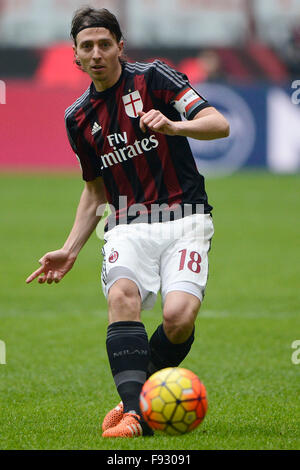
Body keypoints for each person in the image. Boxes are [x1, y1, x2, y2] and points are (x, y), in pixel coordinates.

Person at [26, 7, 230, 438]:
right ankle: (139, 416)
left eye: (104, 44)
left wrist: (174, 126)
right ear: (76, 57)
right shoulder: (78, 117)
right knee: (122, 295)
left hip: (186, 216)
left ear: (120, 46)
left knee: (178, 319)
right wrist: (71, 248)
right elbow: (95, 190)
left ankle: (133, 395)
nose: (96, 53)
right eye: (87, 47)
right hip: (127, 224)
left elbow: (219, 124)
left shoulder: (155, 78)